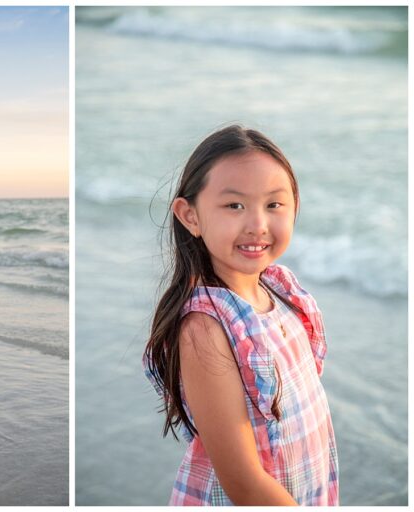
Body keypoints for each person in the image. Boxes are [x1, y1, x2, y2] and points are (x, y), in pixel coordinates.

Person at [143, 125, 338, 505]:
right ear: (191, 216)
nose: (257, 225)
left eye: (274, 204)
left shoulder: (282, 291)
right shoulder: (205, 328)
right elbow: (244, 483)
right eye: (234, 205)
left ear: (295, 206)